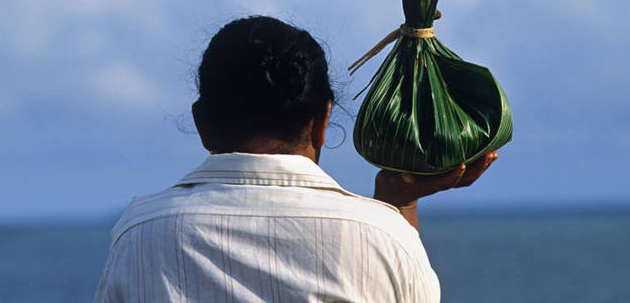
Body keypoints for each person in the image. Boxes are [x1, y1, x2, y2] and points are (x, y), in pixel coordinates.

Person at [95, 16, 496, 302]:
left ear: (202, 122)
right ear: (322, 120)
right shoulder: (385, 238)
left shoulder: (139, 234)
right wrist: (399, 208)